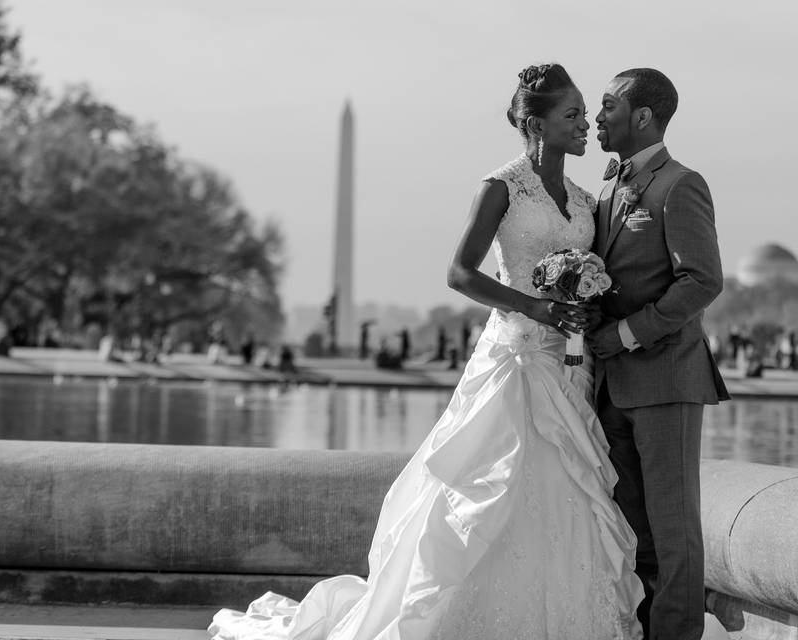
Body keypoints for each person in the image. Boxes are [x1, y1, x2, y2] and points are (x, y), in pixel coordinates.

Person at [210, 63, 649, 639]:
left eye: (586, 113)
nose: (586, 124)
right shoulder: (501, 187)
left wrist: (583, 303)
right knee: (491, 489)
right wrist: (535, 306)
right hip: (516, 360)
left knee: (570, 491)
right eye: (572, 115)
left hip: (569, 365)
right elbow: (459, 272)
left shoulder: (588, 198)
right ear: (537, 125)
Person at [587, 68, 730, 640]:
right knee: (631, 526)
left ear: (641, 116)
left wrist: (624, 335)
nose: (596, 118)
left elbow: (701, 281)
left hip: (666, 380)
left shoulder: (681, 185)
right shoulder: (603, 189)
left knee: (674, 529)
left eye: (606, 107)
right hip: (609, 385)